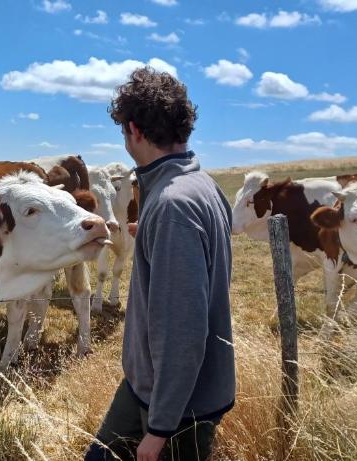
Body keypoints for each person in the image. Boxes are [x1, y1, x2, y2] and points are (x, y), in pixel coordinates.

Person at [85, 67, 236, 461]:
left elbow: (183, 327)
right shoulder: (201, 185)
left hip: (177, 406)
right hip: (152, 384)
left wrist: (160, 429)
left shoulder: (172, 205)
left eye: (123, 133)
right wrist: (154, 237)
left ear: (134, 130)